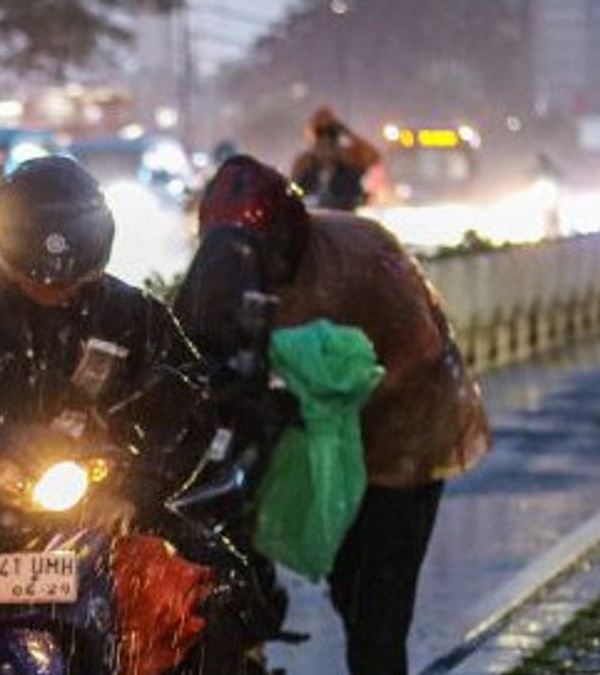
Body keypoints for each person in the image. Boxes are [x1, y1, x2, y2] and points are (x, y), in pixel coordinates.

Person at [0, 156, 283, 673]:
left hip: (102, 518)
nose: (52, 288)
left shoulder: (136, 318)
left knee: (219, 598)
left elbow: (188, 406)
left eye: (69, 279)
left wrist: (130, 490)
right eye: (35, 277)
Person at [178, 155, 491, 675]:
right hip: (314, 440)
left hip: (406, 439)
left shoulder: (362, 255)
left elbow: (420, 352)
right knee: (346, 584)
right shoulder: (225, 268)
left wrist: (327, 401)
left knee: (378, 602)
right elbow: (192, 348)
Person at [290, 107, 381, 211]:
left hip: (343, 219)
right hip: (312, 219)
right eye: (321, 148)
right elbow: (294, 190)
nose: (326, 153)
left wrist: (347, 132)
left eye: (330, 148)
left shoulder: (349, 170)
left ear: (337, 148)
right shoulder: (305, 165)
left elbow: (373, 156)